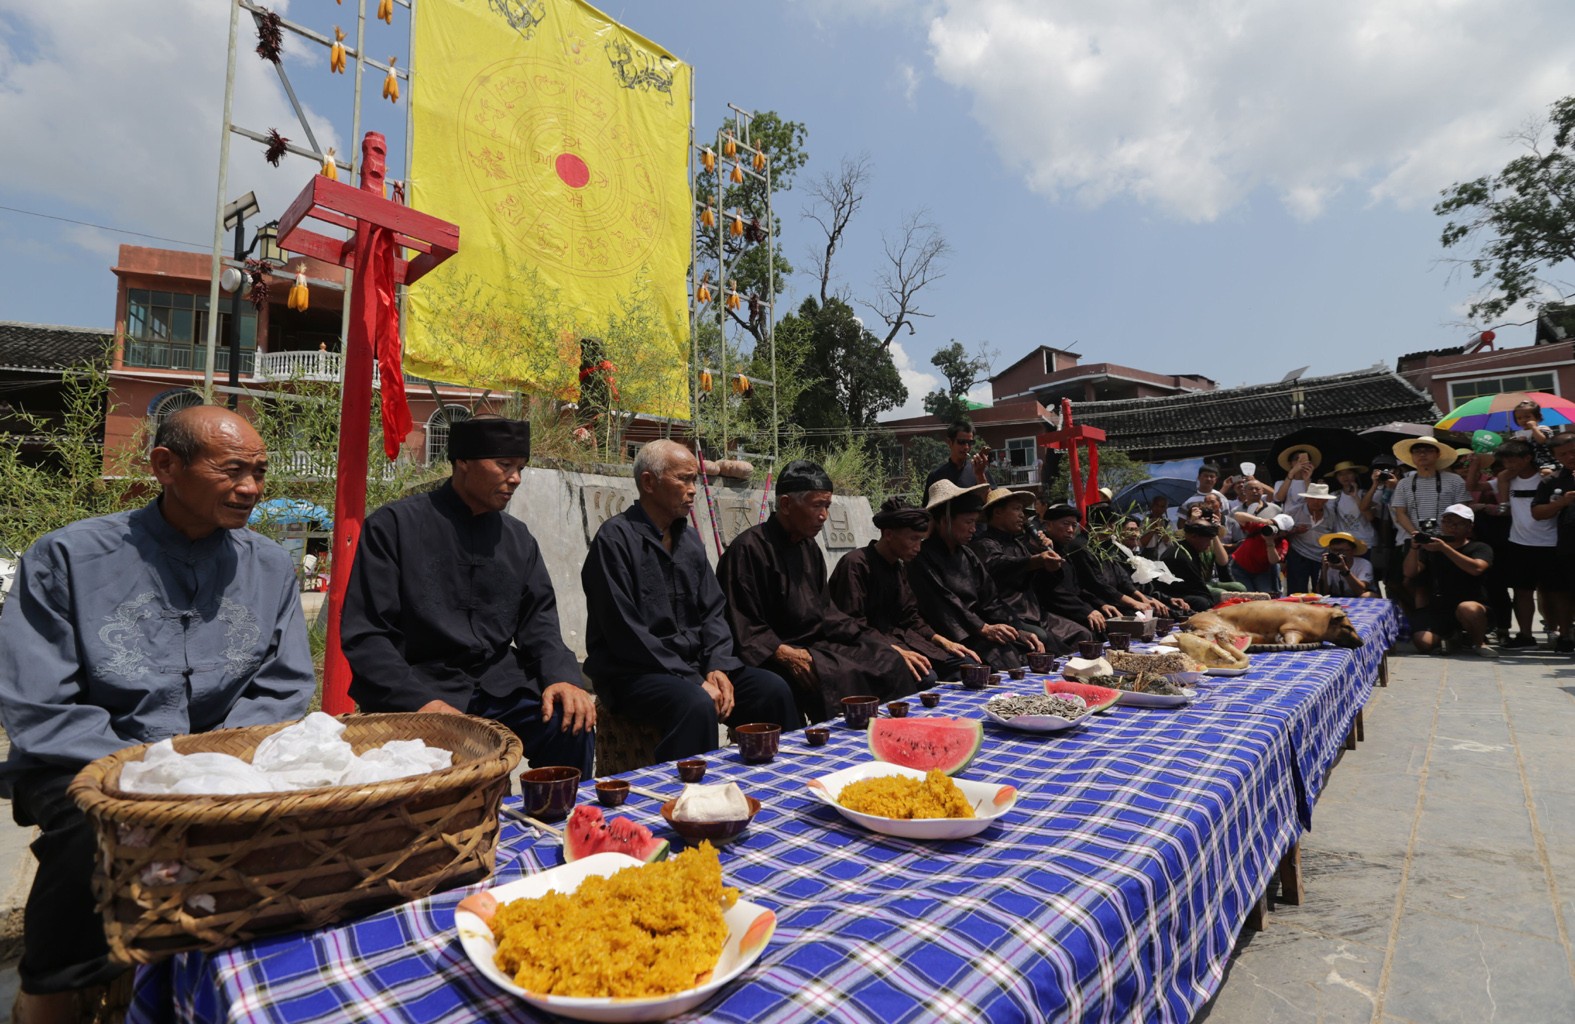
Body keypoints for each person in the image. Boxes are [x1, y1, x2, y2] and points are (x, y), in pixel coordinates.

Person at [0, 406, 315, 1024]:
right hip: (89, 760)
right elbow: (41, 703)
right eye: (232, 471)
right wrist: (148, 773)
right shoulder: (65, 557)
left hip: (229, 761)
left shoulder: (271, 565)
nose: (251, 488)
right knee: (98, 836)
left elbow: (283, 686)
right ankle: (48, 996)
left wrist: (216, 768)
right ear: (165, 466)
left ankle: (247, 990)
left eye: (258, 471)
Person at [341, 416, 595, 778]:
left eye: (520, 468)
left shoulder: (518, 539)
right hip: (420, 687)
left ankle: (561, 822)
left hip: (499, 686)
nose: (516, 479)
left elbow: (539, 624)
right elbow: (367, 635)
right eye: (504, 465)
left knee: (571, 722)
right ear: (462, 461)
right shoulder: (394, 527)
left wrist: (563, 678)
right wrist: (421, 702)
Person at [582, 441, 797, 762]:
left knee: (771, 689)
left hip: (697, 666)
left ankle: (781, 777)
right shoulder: (614, 540)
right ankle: (686, 797)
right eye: (683, 479)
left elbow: (714, 612)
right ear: (649, 483)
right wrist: (694, 680)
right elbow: (626, 633)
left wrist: (718, 667)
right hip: (635, 672)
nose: (693, 490)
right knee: (694, 704)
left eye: (695, 480)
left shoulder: (689, 540)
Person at [716, 460, 910, 722]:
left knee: (887, 658)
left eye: (827, 506)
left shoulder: (810, 549)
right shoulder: (748, 549)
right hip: (771, 652)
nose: (824, 516)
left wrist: (874, 639)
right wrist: (784, 652)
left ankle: (884, 734)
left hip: (814, 642)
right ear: (786, 504)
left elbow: (826, 612)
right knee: (828, 672)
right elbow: (743, 625)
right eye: (817, 505)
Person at [828, 497, 981, 682]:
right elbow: (852, 624)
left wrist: (943, 641)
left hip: (902, 641)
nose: (918, 548)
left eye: (921, 540)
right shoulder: (855, 564)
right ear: (889, 534)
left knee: (968, 665)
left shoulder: (898, 568)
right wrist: (895, 650)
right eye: (913, 539)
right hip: (866, 646)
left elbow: (911, 617)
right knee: (926, 677)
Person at [909, 481, 1042, 671]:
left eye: (974, 522)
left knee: (1025, 646)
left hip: (977, 627)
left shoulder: (967, 554)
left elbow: (990, 599)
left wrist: (1016, 628)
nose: (973, 529)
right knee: (991, 660)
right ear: (945, 521)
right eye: (968, 522)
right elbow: (944, 604)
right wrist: (983, 628)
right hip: (950, 633)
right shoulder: (922, 558)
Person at [970, 490, 1092, 652]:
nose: (1022, 515)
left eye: (1022, 510)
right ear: (998, 512)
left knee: (1082, 634)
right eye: (1016, 509)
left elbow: (1042, 582)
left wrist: (1049, 563)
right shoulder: (985, 543)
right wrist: (1036, 560)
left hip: (1035, 613)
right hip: (1010, 615)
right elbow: (999, 565)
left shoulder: (1020, 544)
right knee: (1045, 640)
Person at [1493, 439, 1561, 649]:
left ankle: (1556, 631)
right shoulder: (1506, 479)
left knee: (1552, 592)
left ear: (1528, 458)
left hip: (1551, 542)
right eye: (1505, 461)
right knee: (1522, 591)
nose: (1508, 465)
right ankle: (1525, 635)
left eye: (1512, 460)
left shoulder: (1549, 478)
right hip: (1519, 542)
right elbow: (1474, 487)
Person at [1403, 504, 1493, 655]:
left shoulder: (1479, 547)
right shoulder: (1431, 547)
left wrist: (1445, 548)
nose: (1452, 526)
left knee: (1468, 608)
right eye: (1448, 521)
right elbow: (1410, 573)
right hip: (1439, 607)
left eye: (1458, 523)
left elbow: (1477, 569)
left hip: (1471, 604)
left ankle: (1479, 643)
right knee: (1423, 642)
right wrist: (1414, 548)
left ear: (1469, 527)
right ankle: (1451, 636)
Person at [1532, 432, 1575, 652]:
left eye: (1573, 451)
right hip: (1568, 546)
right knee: (1564, 593)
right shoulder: (1553, 480)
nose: (1570, 457)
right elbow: (1538, 512)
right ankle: (1565, 636)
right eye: (1563, 454)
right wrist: (1562, 503)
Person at [1163, 519, 1232, 611]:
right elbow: (1196, 587)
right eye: (1208, 540)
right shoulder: (1180, 555)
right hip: (1172, 595)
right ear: (1194, 536)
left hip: (1187, 591)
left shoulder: (1191, 550)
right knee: (1203, 601)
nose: (1209, 544)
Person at [1284, 481, 1340, 592]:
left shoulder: (1331, 515)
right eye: (1313, 498)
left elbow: (1335, 535)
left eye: (1320, 499)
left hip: (1321, 556)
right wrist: (1295, 530)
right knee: (1297, 590)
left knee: (1321, 590)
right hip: (1298, 553)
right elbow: (1280, 532)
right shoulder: (1293, 512)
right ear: (1307, 498)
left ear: (1326, 500)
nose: (1316, 502)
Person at [1231, 506, 1292, 595]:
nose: (1274, 528)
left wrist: (1269, 542)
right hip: (1240, 568)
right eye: (1274, 524)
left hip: (1261, 572)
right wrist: (1261, 520)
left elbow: (1274, 560)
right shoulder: (1260, 527)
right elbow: (1237, 515)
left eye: (1279, 528)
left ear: (1285, 533)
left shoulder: (1282, 543)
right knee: (1249, 596)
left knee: (1265, 596)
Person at [924, 420, 993, 495]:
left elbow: (993, 502)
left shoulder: (980, 470)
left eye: (970, 443)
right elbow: (929, 506)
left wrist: (980, 476)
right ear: (950, 442)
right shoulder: (936, 475)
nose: (966, 447)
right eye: (961, 442)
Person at [1314, 532, 1374, 597]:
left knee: (1366, 596)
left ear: (1352, 550)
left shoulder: (1364, 564)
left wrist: (1345, 570)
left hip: (1358, 596)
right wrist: (1324, 571)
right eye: (1334, 550)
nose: (1337, 554)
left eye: (1342, 550)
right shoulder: (1329, 564)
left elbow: (1360, 591)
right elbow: (1322, 593)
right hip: (1336, 596)